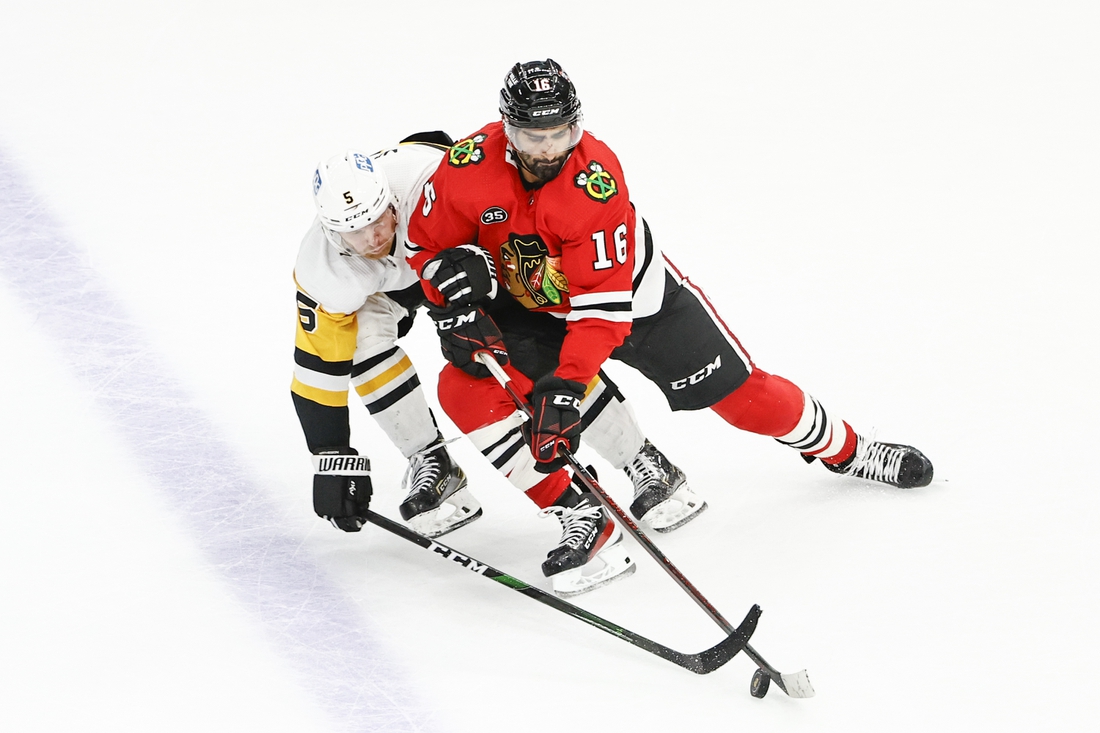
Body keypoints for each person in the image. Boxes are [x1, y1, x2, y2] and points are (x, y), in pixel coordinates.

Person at [406, 60, 934, 580]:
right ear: (504, 127)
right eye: (529, 134)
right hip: (530, 307)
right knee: (466, 385)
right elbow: (423, 245)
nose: (547, 150)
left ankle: (847, 449)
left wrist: (566, 385)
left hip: (634, 304)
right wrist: (445, 288)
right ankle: (586, 508)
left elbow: (600, 311)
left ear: (577, 124)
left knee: (744, 400)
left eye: (560, 133)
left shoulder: (595, 183)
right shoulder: (466, 165)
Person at [291, 134, 702, 595]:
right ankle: (432, 461)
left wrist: (483, 279)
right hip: (392, 288)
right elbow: (316, 371)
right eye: (354, 231)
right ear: (329, 231)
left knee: (534, 353)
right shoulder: (323, 270)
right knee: (361, 344)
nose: (374, 237)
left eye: (378, 218)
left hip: (460, 260)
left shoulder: (426, 182)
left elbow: (504, 216)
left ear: (390, 196)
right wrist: (331, 458)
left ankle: (641, 460)